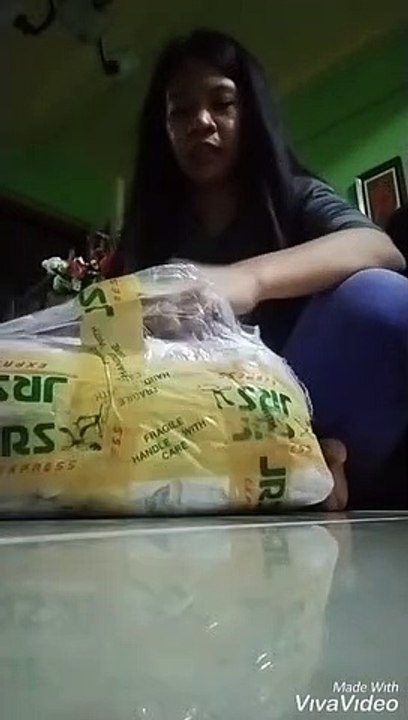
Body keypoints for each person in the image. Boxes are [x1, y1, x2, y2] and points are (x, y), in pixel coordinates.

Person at [112, 29, 408, 509]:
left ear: (249, 113)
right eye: (180, 111)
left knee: (378, 300)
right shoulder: (149, 234)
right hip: (203, 419)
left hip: (308, 400)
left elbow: (380, 247)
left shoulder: (294, 196)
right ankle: (297, 474)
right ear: (162, 130)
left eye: (222, 103)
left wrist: (248, 280)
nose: (201, 122)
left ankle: (315, 463)